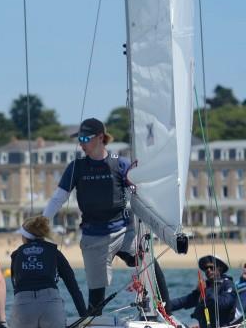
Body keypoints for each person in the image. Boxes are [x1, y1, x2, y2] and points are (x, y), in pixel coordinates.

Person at [42, 117, 169, 313]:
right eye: (79, 138)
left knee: (147, 260)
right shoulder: (76, 167)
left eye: (85, 138)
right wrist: (41, 223)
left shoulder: (120, 164)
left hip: (123, 230)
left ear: (100, 137)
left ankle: (165, 310)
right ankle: (94, 324)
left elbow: (142, 191)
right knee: (96, 297)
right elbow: (58, 198)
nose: (81, 142)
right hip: (94, 236)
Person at [9, 216, 87, 328]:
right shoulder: (54, 252)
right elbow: (72, 284)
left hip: (24, 305)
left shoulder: (16, 255)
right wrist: (84, 313)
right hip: (51, 304)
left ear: (26, 237)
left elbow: (15, 285)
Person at [169, 255, 239, 328]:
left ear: (220, 268)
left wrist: (205, 290)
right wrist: (165, 305)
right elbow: (185, 301)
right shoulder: (206, 286)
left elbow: (224, 303)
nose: (208, 270)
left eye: (211, 267)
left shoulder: (228, 285)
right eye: (206, 268)